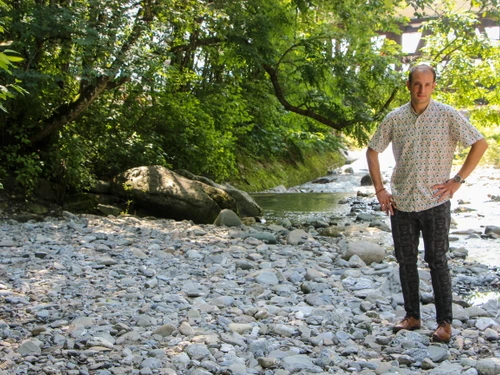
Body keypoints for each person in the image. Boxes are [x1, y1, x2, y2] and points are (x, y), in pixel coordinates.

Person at [366, 63, 488, 342]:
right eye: (417, 84)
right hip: (402, 203)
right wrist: (380, 189)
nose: (421, 90)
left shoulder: (447, 115)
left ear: (434, 86)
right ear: (408, 86)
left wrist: (458, 180)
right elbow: (372, 151)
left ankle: (445, 323)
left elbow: (479, 144)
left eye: (427, 84)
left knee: (437, 261)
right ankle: (412, 316)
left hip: (436, 202)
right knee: (405, 261)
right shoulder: (395, 118)